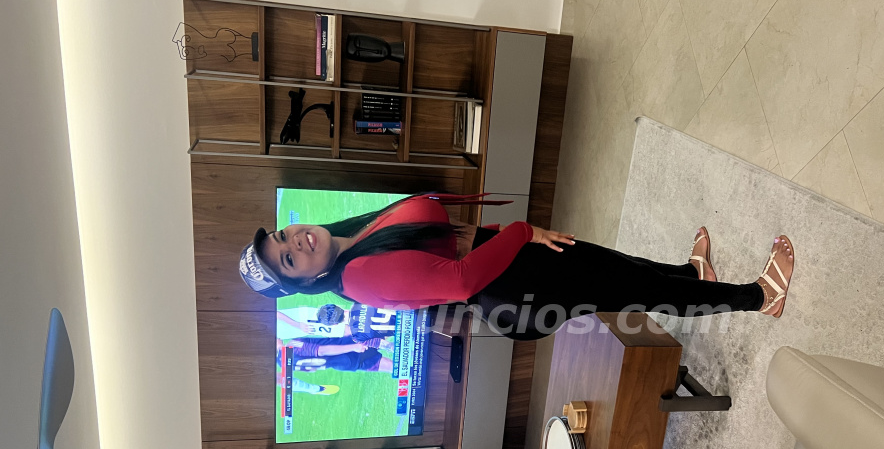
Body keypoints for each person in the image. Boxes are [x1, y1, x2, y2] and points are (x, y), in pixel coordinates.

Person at [238, 193, 795, 341]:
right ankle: (757, 297)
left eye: (283, 236)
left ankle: (692, 274)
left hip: (506, 261)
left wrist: (505, 234)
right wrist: (521, 232)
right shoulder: (358, 277)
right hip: (515, 284)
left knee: (616, 266)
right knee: (633, 290)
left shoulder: (353, 237)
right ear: (303, 282)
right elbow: (459, 280)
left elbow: (441, 241)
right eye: (288, 260)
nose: (296, 242)